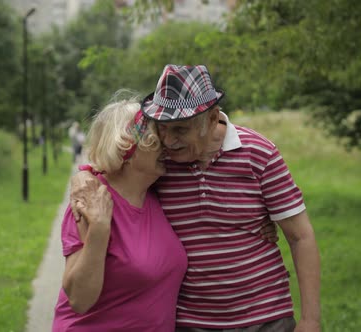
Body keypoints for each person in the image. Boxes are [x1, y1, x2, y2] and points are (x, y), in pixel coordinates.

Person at [70, 65, 321, 332]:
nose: (167, 140)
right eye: (162, 128)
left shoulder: (259, 153)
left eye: (179, 130)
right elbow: (113, 167)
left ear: (212, 119)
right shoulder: (159, 165)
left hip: (266, 318)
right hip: (191, 323)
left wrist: (310, 320)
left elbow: (300, 236)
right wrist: (83, 177)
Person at [52, 98, 188, 331]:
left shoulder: (158, 193)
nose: (166, 147)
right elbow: (79, 300)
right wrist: (99, 229)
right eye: (156, 141)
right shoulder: (91, 200)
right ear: (127, 147)